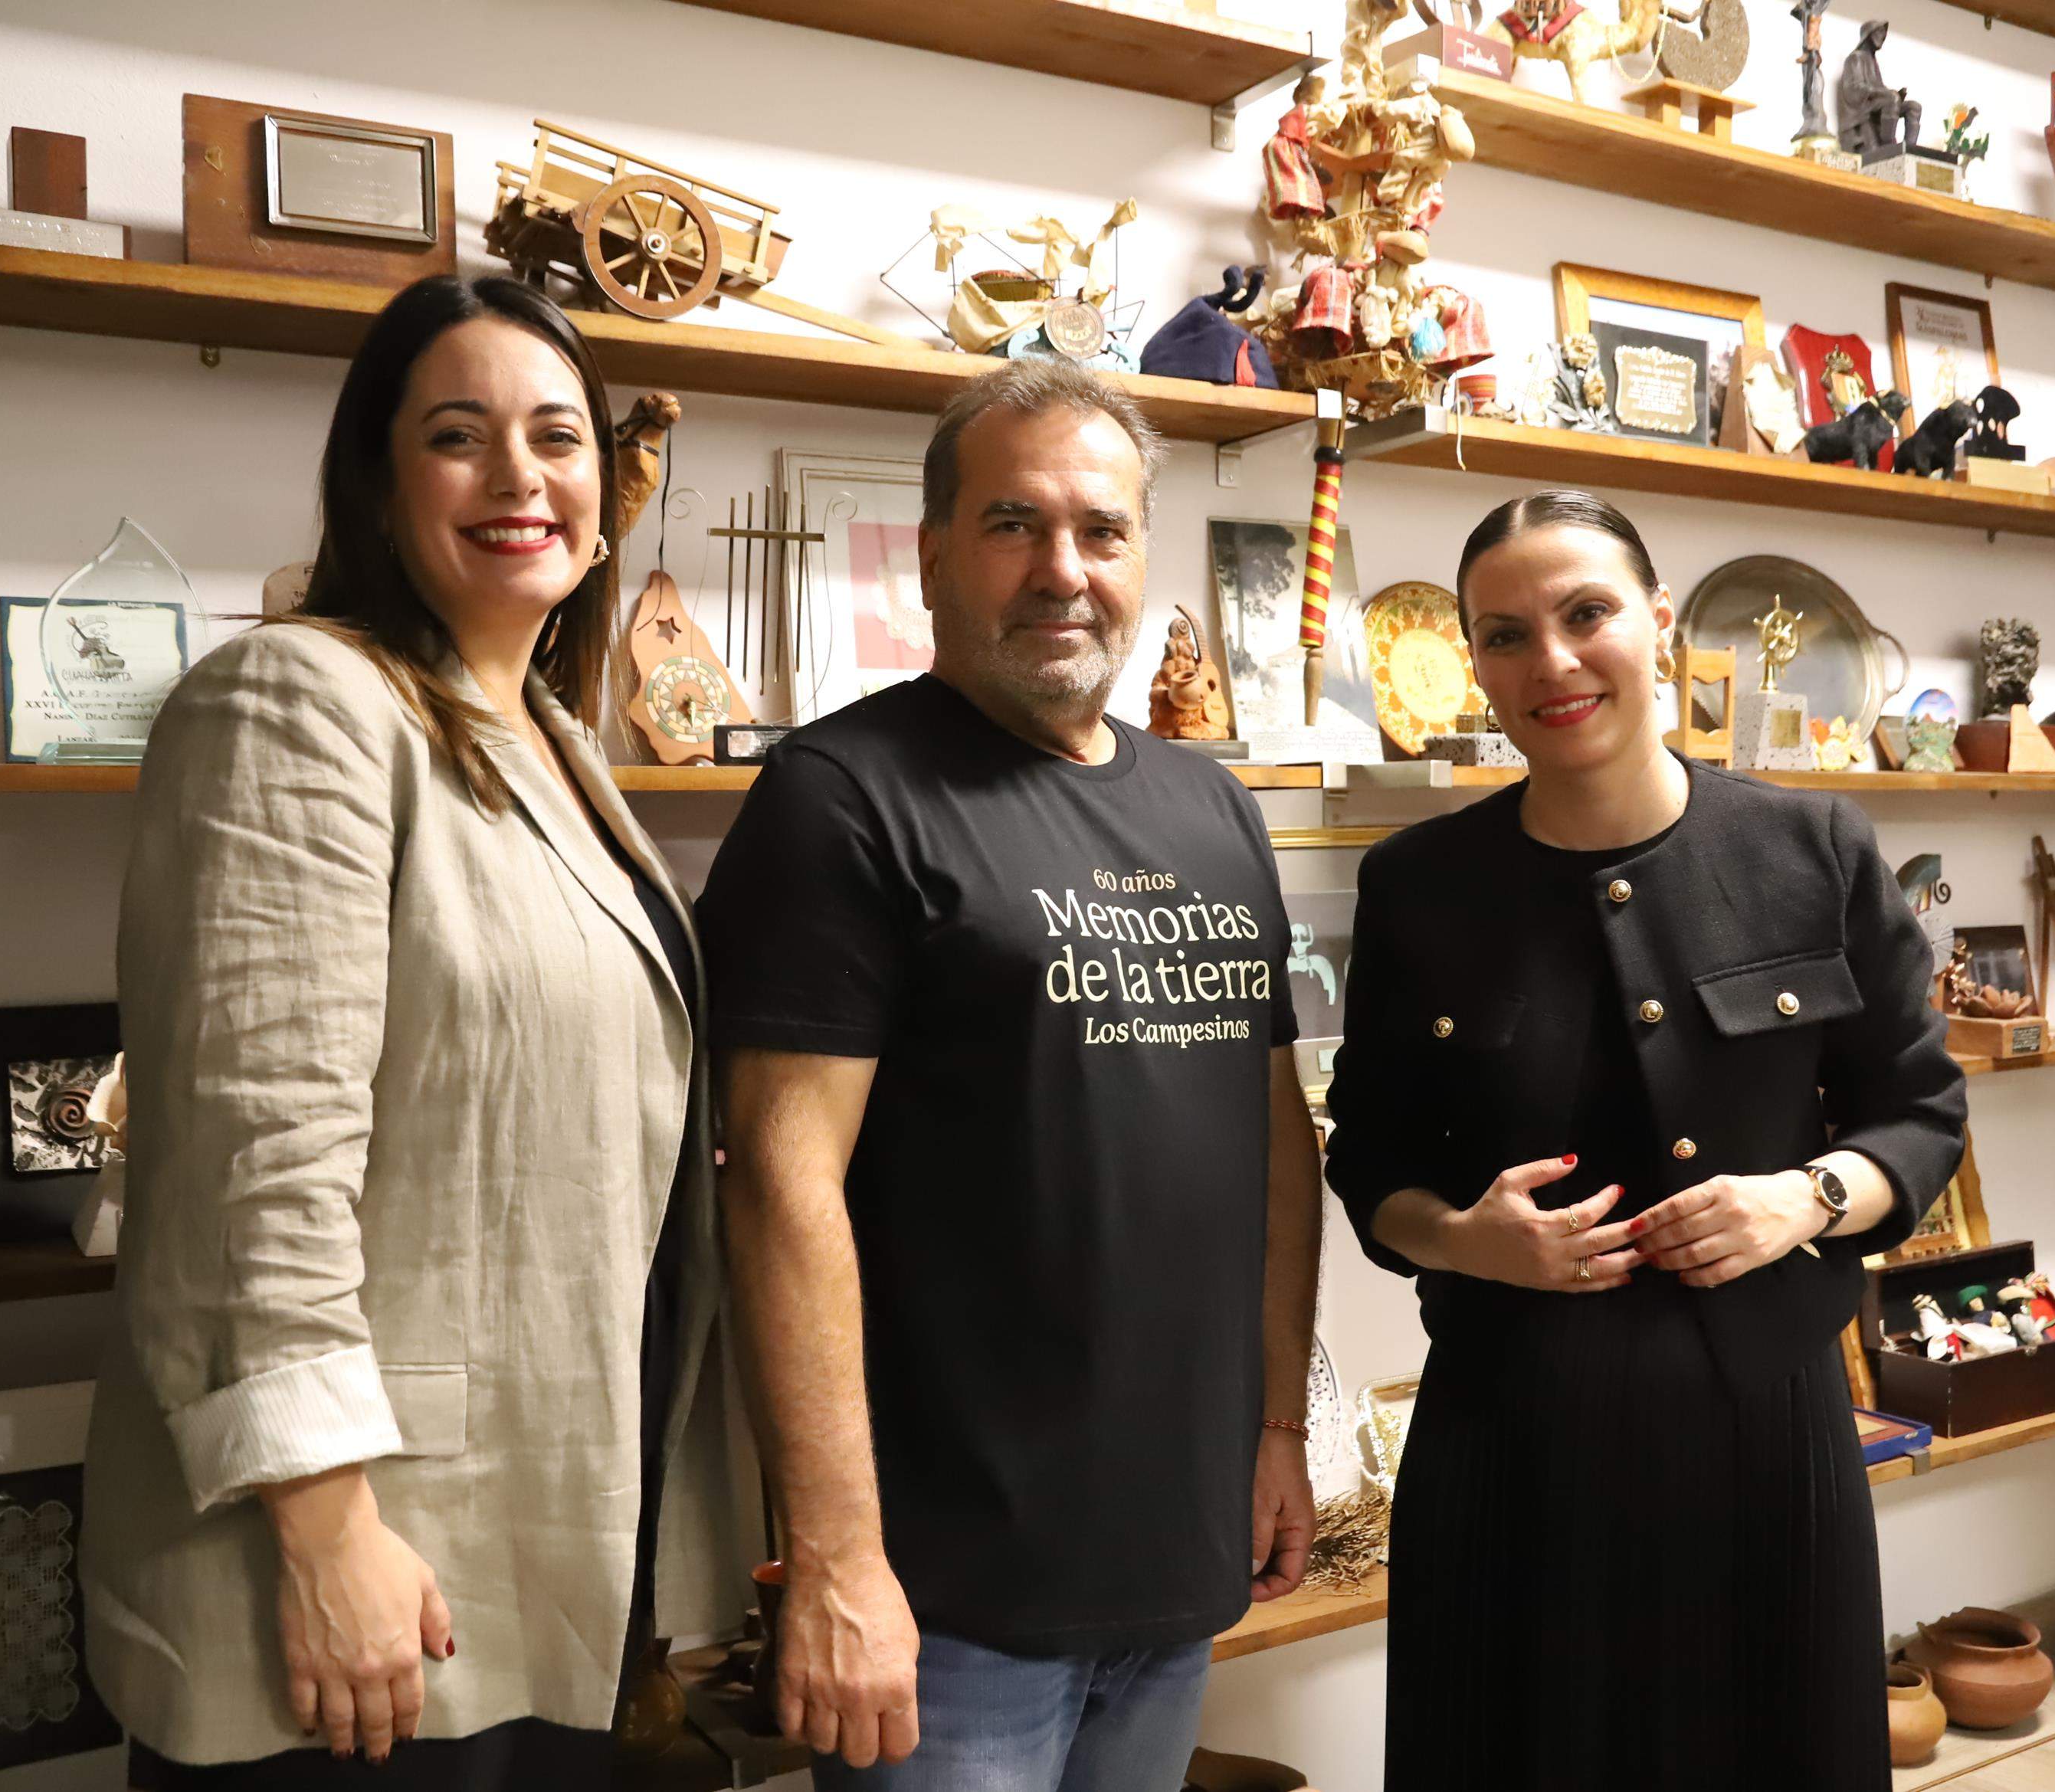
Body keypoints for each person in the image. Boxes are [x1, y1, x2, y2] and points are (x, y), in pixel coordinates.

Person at [84, 275, 745, 1787]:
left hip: (542, 1526)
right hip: (369, 1568)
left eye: (558, 436)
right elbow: (257, 1164)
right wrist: (328, 1533)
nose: (523, 475)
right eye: (462, 434)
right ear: (379, 486)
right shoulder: (295, 700)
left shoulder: (558, 742)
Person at [697, 359, 1324, 1790]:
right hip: (949, 1604)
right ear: (930, 557)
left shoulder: (1211, 802)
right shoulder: (843, 797)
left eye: (1101, 532)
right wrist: (838, 1557)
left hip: (1177, 1557)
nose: (1064, 570)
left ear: (1142, 559)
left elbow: (1273, 1145)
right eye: (1012, 527)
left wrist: (1277, 1426)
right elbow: (777, 1188)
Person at [1324, 491, 1966, 1786]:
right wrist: (1462, 1241)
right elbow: (1368, 1158)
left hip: (1764, 1441)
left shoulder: (1811, 848)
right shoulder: (1418, 887)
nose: (1551, 664)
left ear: (1660, 624)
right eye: (1504, 636)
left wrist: (1809, 1197)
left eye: (1587, 614)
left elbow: (1921, 1111)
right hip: (1508, 1447)